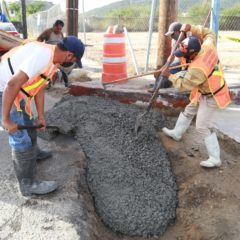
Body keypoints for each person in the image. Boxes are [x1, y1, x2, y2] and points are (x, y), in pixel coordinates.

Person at [0, 36, 85, 196]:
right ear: (69, 55)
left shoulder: (52, 59)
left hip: (13, 90)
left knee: (29, 122)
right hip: (3, 88)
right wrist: (6, 120)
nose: (72, 63)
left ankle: (33, 153)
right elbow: (12, 84)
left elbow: (38, 87)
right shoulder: (42, 56)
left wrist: (41, 116)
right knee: (20, 138)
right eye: (74, 60)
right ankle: (28, 184)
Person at [160, 36, 231, 168]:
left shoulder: (197, 69)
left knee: (201, 126)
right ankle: (177, 133)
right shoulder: (207, 45)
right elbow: (209, 33)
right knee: (189, 110)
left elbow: (184, 85)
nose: (182, 57)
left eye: (185, 55)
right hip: (205, 89)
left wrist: (169, 75)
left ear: (193, 53)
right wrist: (192, 27)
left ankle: (215, 159)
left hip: (212, 95)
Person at [149, 21, 216, 92]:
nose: (171, 36)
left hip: (196, 63)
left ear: (179, 31)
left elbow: (209, 34)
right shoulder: (174, 41)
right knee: (168, 71)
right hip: (183, 63)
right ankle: (160, 85)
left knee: (189, 80)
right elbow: (172, 55)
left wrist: (191, 27)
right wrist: (164, 68)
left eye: (173, 34)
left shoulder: (193, 38)